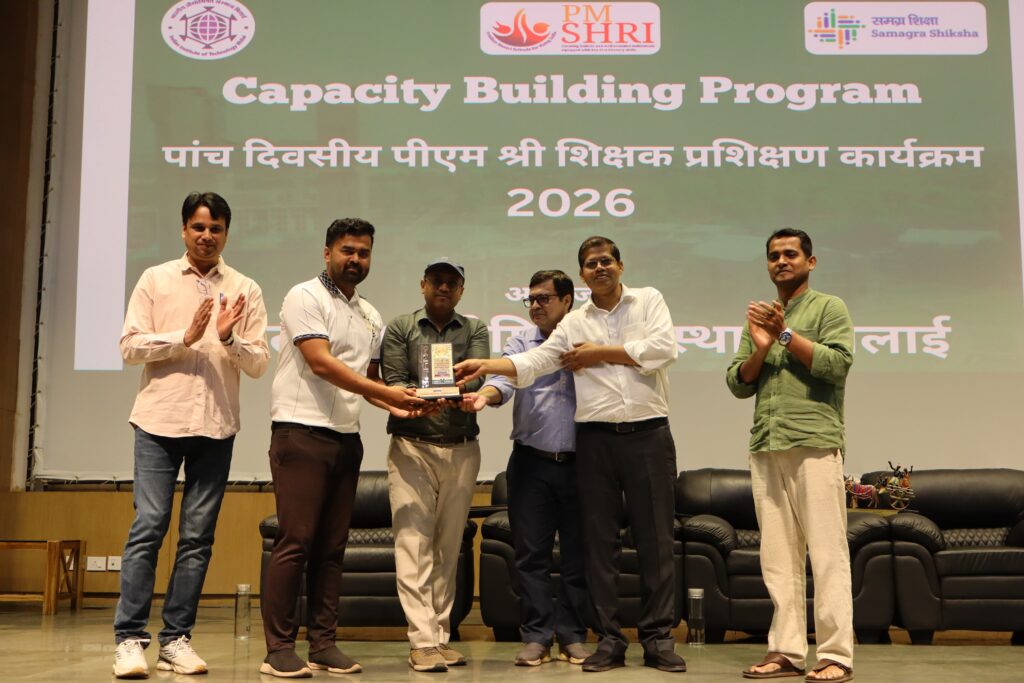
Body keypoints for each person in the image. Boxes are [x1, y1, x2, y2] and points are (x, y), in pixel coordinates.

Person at [454, 236, 685, 674]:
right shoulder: (575, 322)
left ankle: (658, 640)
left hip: (648, 434)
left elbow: (662, 350)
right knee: (599, 547)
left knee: (655, 541)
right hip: (594, 441)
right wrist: (487, 366)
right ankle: (610, 641)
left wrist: (598, 354)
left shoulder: (648, 299)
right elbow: (537, 360)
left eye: (606, 261)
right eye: (591, 264)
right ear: (582, 275)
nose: (599, 268)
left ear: (620, 265)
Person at [260, 218, 427, 678]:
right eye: (347, 250)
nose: (355, 259)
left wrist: (403, 403)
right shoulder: (304, 296)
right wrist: (388, 393)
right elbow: (321, 363)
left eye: (363, 252)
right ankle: (278, 649)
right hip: (300, 432)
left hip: (346, 437)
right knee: (295, 542)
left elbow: (369, 381)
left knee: (333, 548)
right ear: (327, 252)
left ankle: (323, 644)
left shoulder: (369, 313)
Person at [113, 192, 270, 678]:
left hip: (216, 426)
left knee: (198, 538)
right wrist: (183, 337)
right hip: (158, 421)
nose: (207, 236)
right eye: (199, 227)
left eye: (216, 228)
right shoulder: (155, 279)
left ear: (226, 234)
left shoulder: (245, 288)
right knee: (149, 526)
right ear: (184, 230)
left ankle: (175, 640)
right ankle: (129, 639)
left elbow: (259, 363)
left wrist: (226, 337)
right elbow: (129, 347)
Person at [727, 228, 855, 683]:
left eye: (790, 254)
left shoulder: (829, 307)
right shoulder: (761, 318)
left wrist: (783, 334)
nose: (781, 261)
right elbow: (738, 382)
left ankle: (836, 654)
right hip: (767, 443)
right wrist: (761, 347)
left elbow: (837, 364)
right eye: (774, 256)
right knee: (777, 559)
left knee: (827, 554)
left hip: (814, 442)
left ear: (810, 262)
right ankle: (786, 650)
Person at [465, 270, 593, 667]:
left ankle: (572, 635)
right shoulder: (522, 339)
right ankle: (537, 636)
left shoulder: (588, 338)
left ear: (567, 301)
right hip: (530, 463)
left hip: (582, 464)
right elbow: (504, 380)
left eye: (544, 298)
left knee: (578, 556)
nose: (535, 306)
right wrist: (485, 396)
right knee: (530, 556)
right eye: (531, 299)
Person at [380, 258, 490, 672]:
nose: (444, 288)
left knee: (448, 546)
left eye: (452, 283)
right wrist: (421, 394)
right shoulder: (401, 327)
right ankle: (421, 640)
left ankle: (440, 636)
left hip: (462, 448)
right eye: (437, 281)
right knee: (413, 544)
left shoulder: (475, 329)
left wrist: (455, 389)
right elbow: (393, 380)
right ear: (423, 285)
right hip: (411, 446)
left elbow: (477, 376)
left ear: (461, 290)